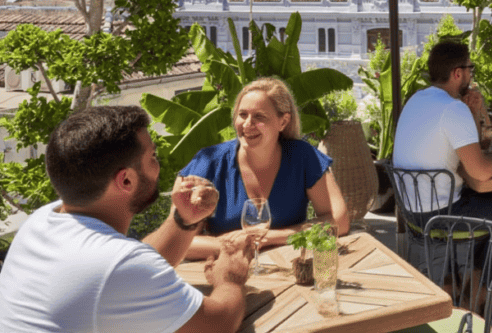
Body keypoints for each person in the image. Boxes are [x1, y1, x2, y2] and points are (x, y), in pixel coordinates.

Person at [0, 105, 255, 332]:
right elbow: (218, 324)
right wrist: (229, 277)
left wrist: (184, 220)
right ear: (126, 180)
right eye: (152, 157)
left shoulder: (41, 220)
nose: (159, 165)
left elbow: (133, 267)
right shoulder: (120, 265)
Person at [392, 41, 492, 256]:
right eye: (470, 69)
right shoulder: (452, 108)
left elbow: (469, 149)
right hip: (441, 214)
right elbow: (480, 171)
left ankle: (477, 276)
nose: (471, 75)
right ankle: (490, 288)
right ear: (458, 73)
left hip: (412, 211)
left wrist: (474, 113)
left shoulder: (417, 99)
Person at [180, 78, 349, 259]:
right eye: (243, 114)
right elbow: (180, 240)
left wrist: (273, 237)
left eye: (259, 116)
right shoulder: (209, 162)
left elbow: (339, 220)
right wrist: (235, 244)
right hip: (225, 271)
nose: (247, 124)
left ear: (283, 122)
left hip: (288, 269)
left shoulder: (303, 156)